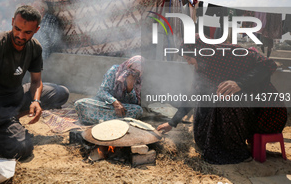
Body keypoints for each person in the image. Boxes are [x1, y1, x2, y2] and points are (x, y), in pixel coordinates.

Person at [0, 5, 69, 160]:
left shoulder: (35, 47)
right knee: (22, 150)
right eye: (17, 29)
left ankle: (11, 118)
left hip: (15, 96)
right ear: (12, 22)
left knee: (61, 93)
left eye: (27, 32)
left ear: (36, 30)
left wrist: (36, 101)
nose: (20, 36)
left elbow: (36, 81)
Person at [157, 35, 287, 164]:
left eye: (189, 58)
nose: (189, 63)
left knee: (225, 98)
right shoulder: (203, 68)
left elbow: (269, 64)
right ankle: (218, 145)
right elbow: (192, 95)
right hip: (246, 112)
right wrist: (172, 122)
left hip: (267, 113)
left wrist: (239, 84)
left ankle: (234, 150)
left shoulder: (232, 54)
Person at [74, 55, 144, 125]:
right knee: (80, 104)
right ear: (128, 65)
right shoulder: (114, 70)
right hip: (105, 104)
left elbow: (134, 103)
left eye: (137, 72)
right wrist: (115, 102)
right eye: (132, 69)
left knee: (138, 110)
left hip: (123, 108)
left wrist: (130, 88)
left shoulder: (137, 80)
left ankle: (99, 120)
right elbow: (102, 92)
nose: (133, 73)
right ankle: (120, 122)